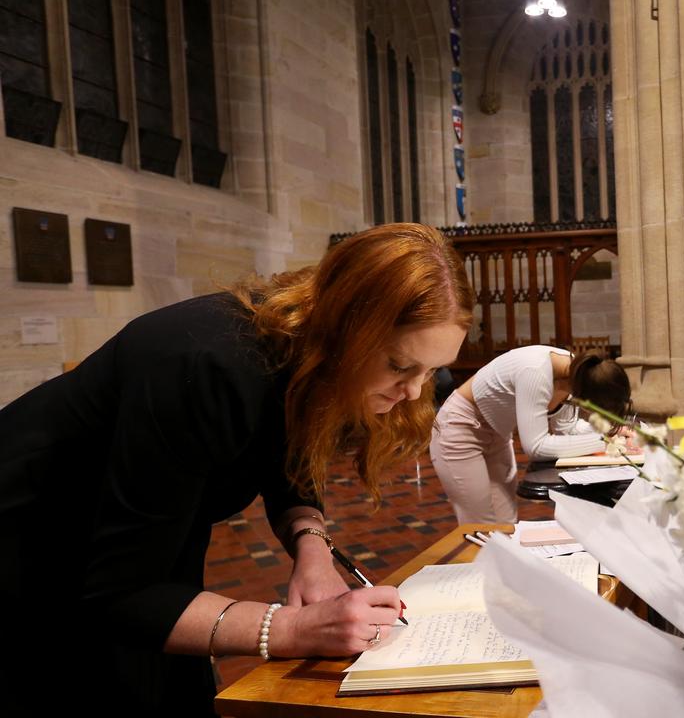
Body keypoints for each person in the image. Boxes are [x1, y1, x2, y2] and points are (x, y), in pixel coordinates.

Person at [0, 223, 474, 714]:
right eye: (400, 366)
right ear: (346, 331)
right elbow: (120, 595)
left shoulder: (304, 352)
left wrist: (312, 551)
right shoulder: (210, 365)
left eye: (431, 372)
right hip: (31, 553)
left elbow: (290, 460)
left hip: (142, 553)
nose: (415, 392)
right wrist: (292, 629)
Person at [430, 347, 632, 524]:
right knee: (481, 524)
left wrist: (612, 434)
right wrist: (604, 442)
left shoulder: (578, 373)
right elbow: (535, 447)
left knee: (506, 520)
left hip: (498, 432)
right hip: (459, 428)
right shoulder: (536, 372)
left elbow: (567, 427)